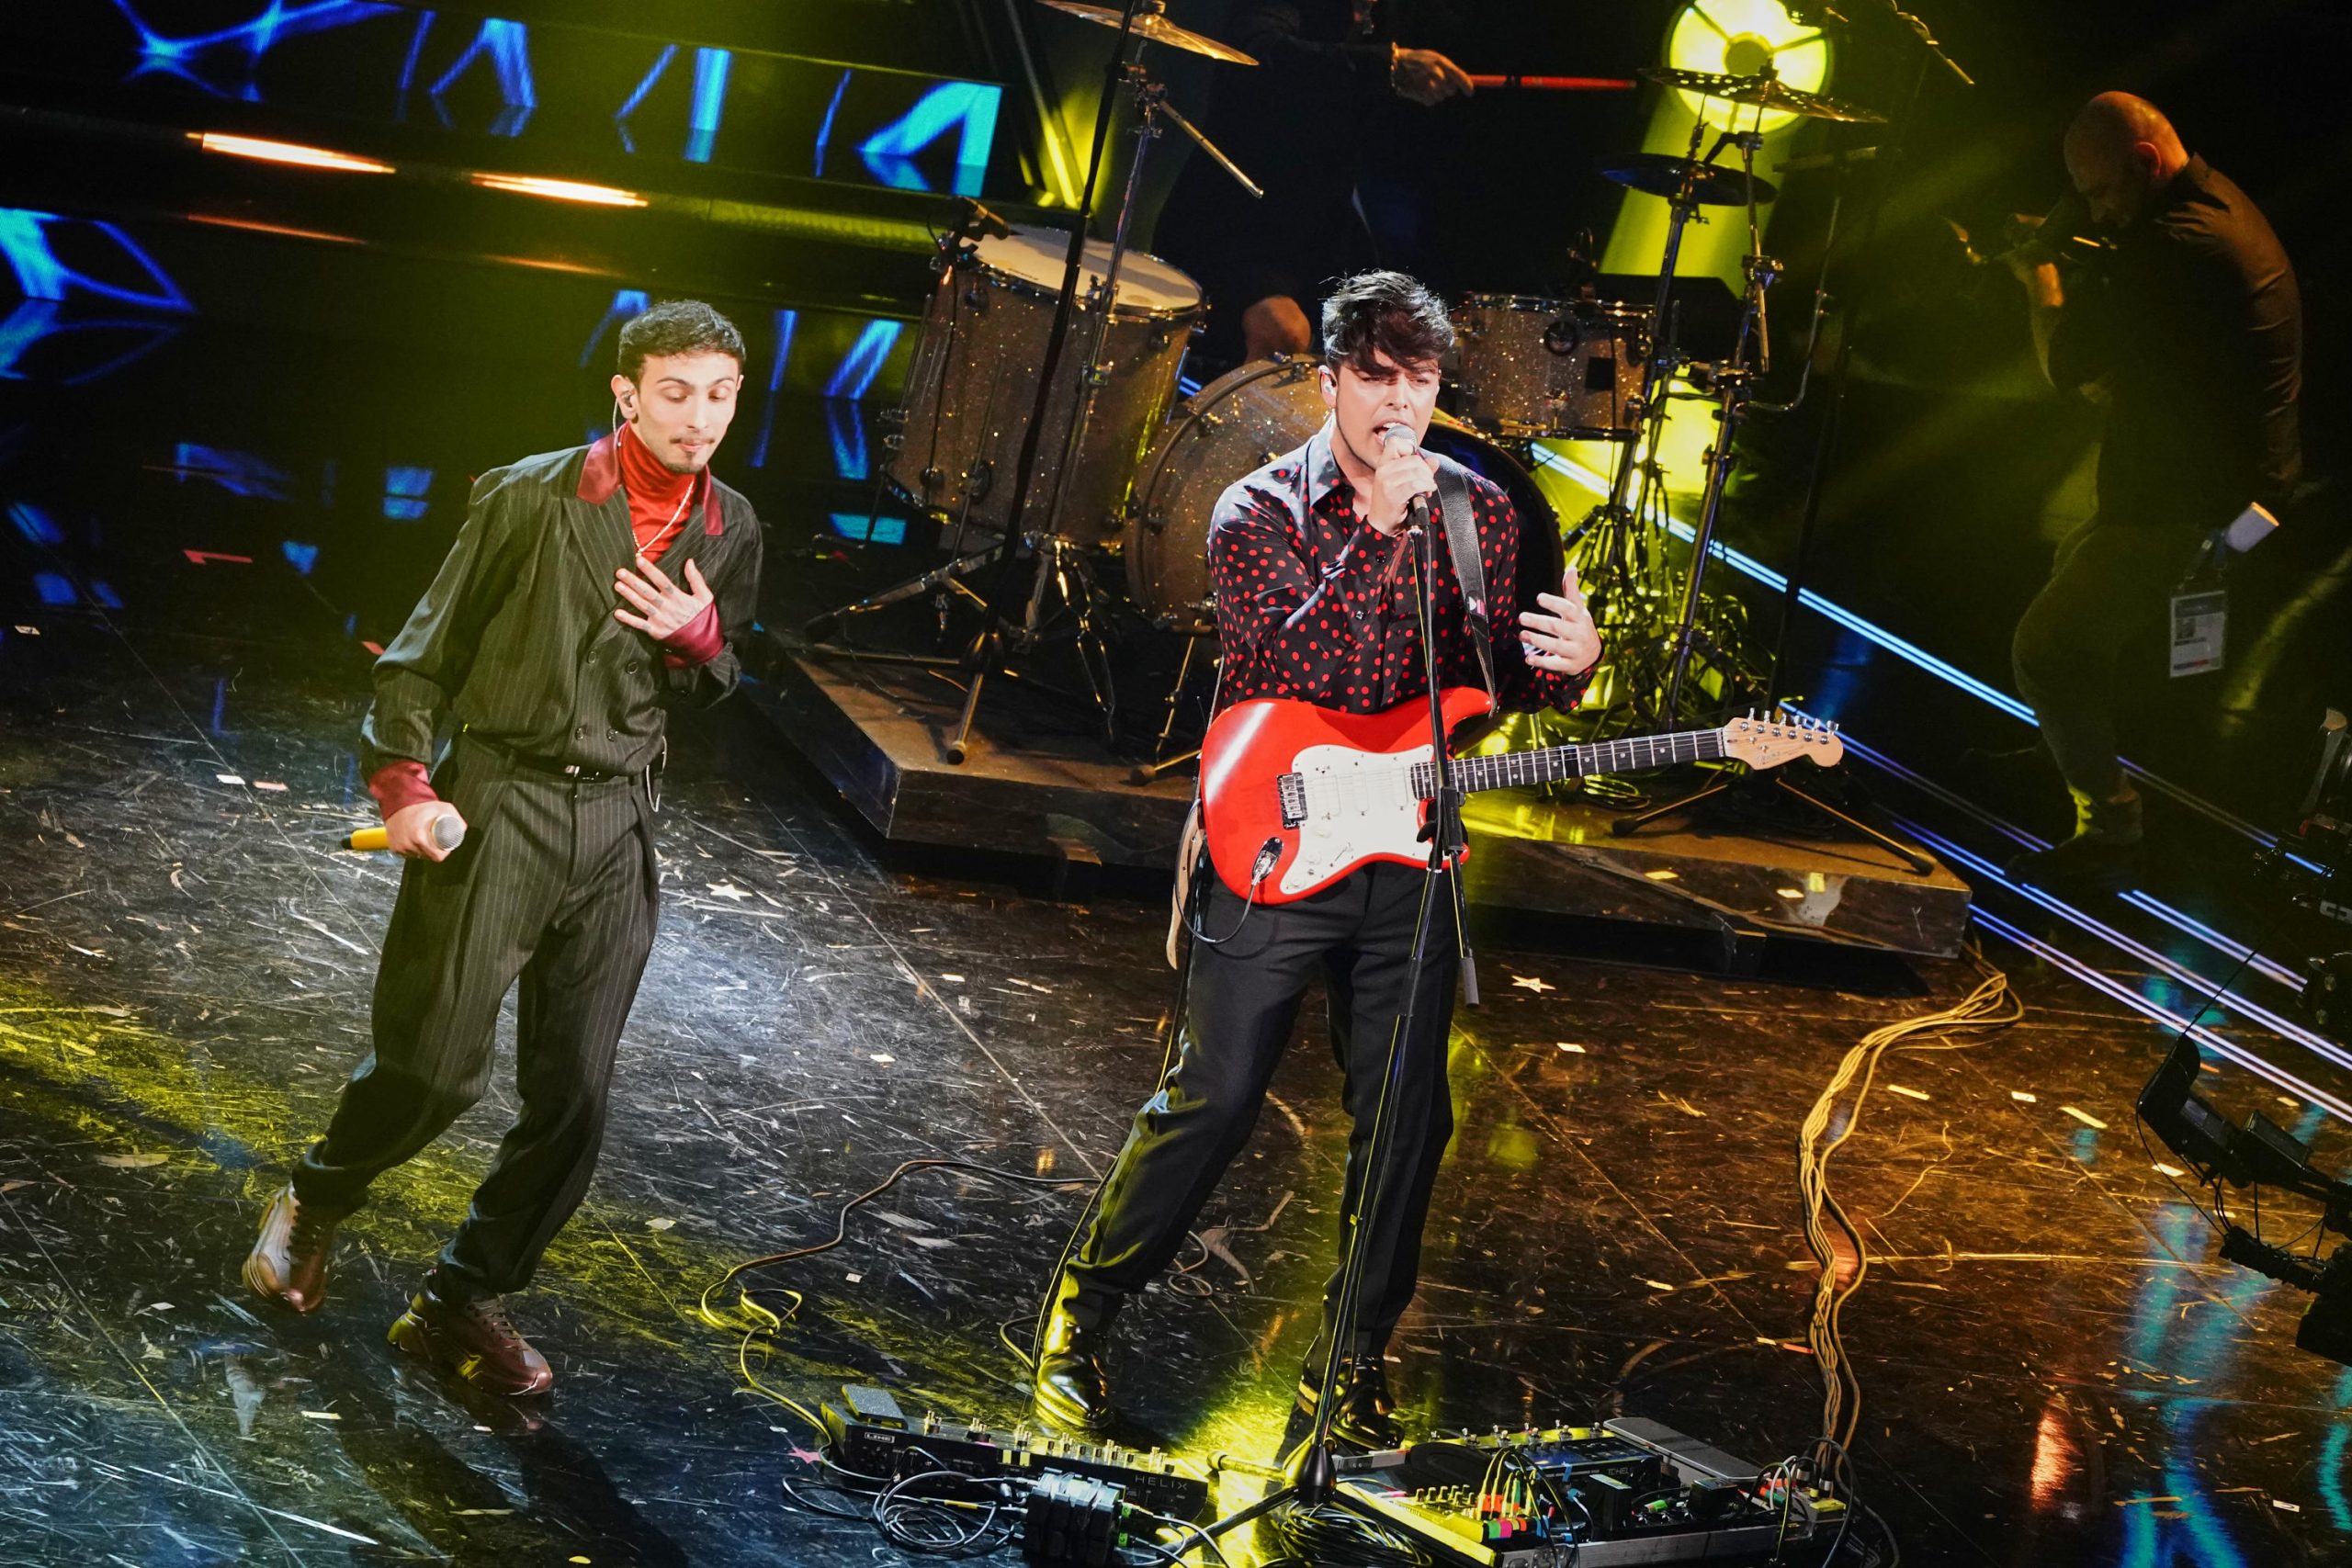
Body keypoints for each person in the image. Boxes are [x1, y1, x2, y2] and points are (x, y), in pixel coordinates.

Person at [1031, 272, 1600, 1443]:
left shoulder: (1480, 515)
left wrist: (1570, 667)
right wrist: (1377, 532)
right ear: (1333, 380)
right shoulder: (1255, 511)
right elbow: (1296, 669)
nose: (1401, 404)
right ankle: (1081, 1315)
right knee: (1217, 1096)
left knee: (1409, 1116)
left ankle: (1348, 1364)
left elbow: (1497, 678)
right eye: (1378, 378)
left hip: (1411, 849)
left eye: (1421, 380)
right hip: (1278, 832)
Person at [243, 300, 764, 1395]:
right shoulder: (532, 495)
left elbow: (718, 687)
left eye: (721, 395)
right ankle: (316, 1198)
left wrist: (700, 641)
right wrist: (406, 786)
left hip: (617, 821)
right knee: (433, 1070)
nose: (701, 417)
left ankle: (459, 1298)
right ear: (626, 393)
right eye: (676, 392)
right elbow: (418, 657)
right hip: (502, 800)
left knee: (574, 1099)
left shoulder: (730, 528)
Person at [2005, 93, 2300, 888]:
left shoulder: (2177, 247)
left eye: (2101, 193)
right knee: (2072, 562)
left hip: (2210, 512)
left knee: (2045, 649)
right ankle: (2069, 748)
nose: (2097, 213)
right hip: (2235, 493)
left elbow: (2065, 364)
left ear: (2143, 162)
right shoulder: (2209, 204)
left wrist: (2038, 274)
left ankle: (2113, 832)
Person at [1152, 0, 1473, 366]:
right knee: (1282, 329)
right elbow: (1259, 52)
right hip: (1234, 220)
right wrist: (1387, 66)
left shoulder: (1390, 17)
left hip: (1319, 231)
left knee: (1414, 340)